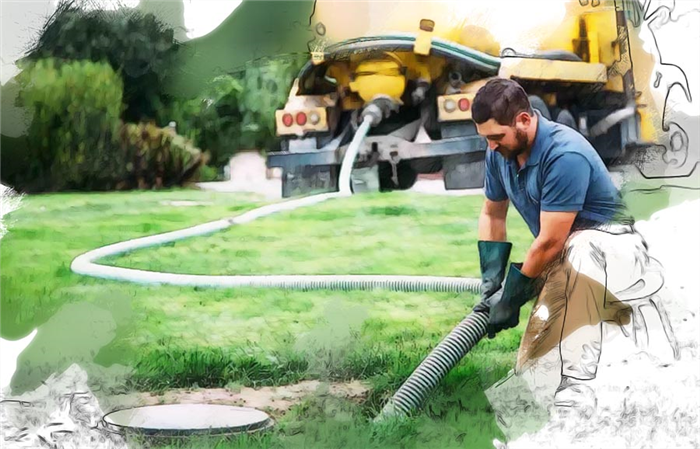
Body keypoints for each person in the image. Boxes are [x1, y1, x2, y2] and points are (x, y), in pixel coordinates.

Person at [470, 78, 676, 416]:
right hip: (567, 258)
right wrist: (492, 281)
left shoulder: (564, 153)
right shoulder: (501, 151)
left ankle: (576, 388)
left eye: (496, 137)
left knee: (580, 247)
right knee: (530, 378)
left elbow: (551, 241)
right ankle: (532, 406)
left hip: (617, 250)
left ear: (524, 120)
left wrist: (511, 298)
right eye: (486, 138)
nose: (491, 146)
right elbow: (492, 212)